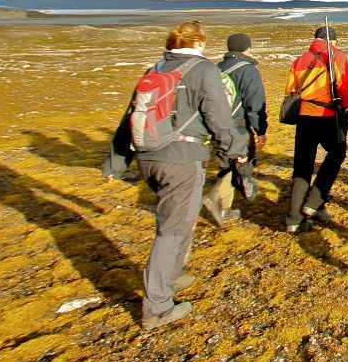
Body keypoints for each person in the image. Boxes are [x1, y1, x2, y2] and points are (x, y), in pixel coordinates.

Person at [104, 20, 247, 331]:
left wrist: (115, 163)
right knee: (170, 230)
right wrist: (236, 149)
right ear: (199, 43)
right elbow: (219, 118)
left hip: (148, 158)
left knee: (177, 220)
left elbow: (129, 118)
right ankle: (156, 306)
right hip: (181, 160)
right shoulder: (203, 70)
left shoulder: (155, 69)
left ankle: (169, 276)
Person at [284, 25, 348, 232]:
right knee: (337, 153)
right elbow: (342, 87)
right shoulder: (337, 57)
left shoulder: (299, 60)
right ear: (334, 41)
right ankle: (314, 201)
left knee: (302, 165)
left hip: (304, 117)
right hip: (327, 116)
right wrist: (345, 106)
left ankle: (294, 219)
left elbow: (290, 89)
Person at [201, 32, 267, 227]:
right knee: (241, 163)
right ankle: (216, 197)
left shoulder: (217, 68)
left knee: (225, 165)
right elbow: (255, 103)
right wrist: (260, 128)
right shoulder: (248, 71)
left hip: (217, 125)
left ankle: (224, 209)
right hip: (238, 126)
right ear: (247, 47)